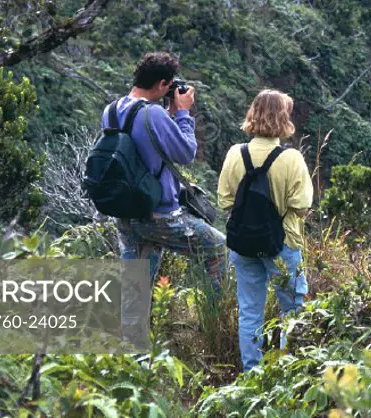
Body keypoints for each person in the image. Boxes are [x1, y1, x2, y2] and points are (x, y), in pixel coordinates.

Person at [108, 52, 226, 294]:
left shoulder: (113, 109)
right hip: (159, 215)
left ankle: (133, 332)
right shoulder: (154, 114)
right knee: (217, 247)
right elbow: (186, 153)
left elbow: (145, 143)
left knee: (135, 288)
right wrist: (183, 113)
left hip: (126, 213)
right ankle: (216, 319)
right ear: (162, 84)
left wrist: (169, 113)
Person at [218, 89, 314, 372]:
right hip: (282, 243)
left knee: (249, 312)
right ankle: (287, 373)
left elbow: (225, 201)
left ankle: (253, 374)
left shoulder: (236, 153)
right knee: (292, 311)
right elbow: (302, 205)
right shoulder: (291, 158)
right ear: (284, 118)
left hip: (243, 243)